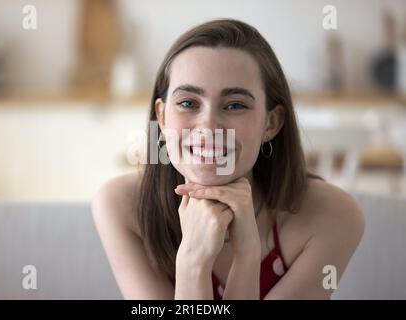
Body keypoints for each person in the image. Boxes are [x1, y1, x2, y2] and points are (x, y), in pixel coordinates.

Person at [91, 19, 365, 299]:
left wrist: (247, 257)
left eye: (235, 105)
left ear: (271, 123)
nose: (208, 127)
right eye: (188, 103)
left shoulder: (334, 215)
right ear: (162, 117)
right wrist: (193, 261)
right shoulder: (121, 206)